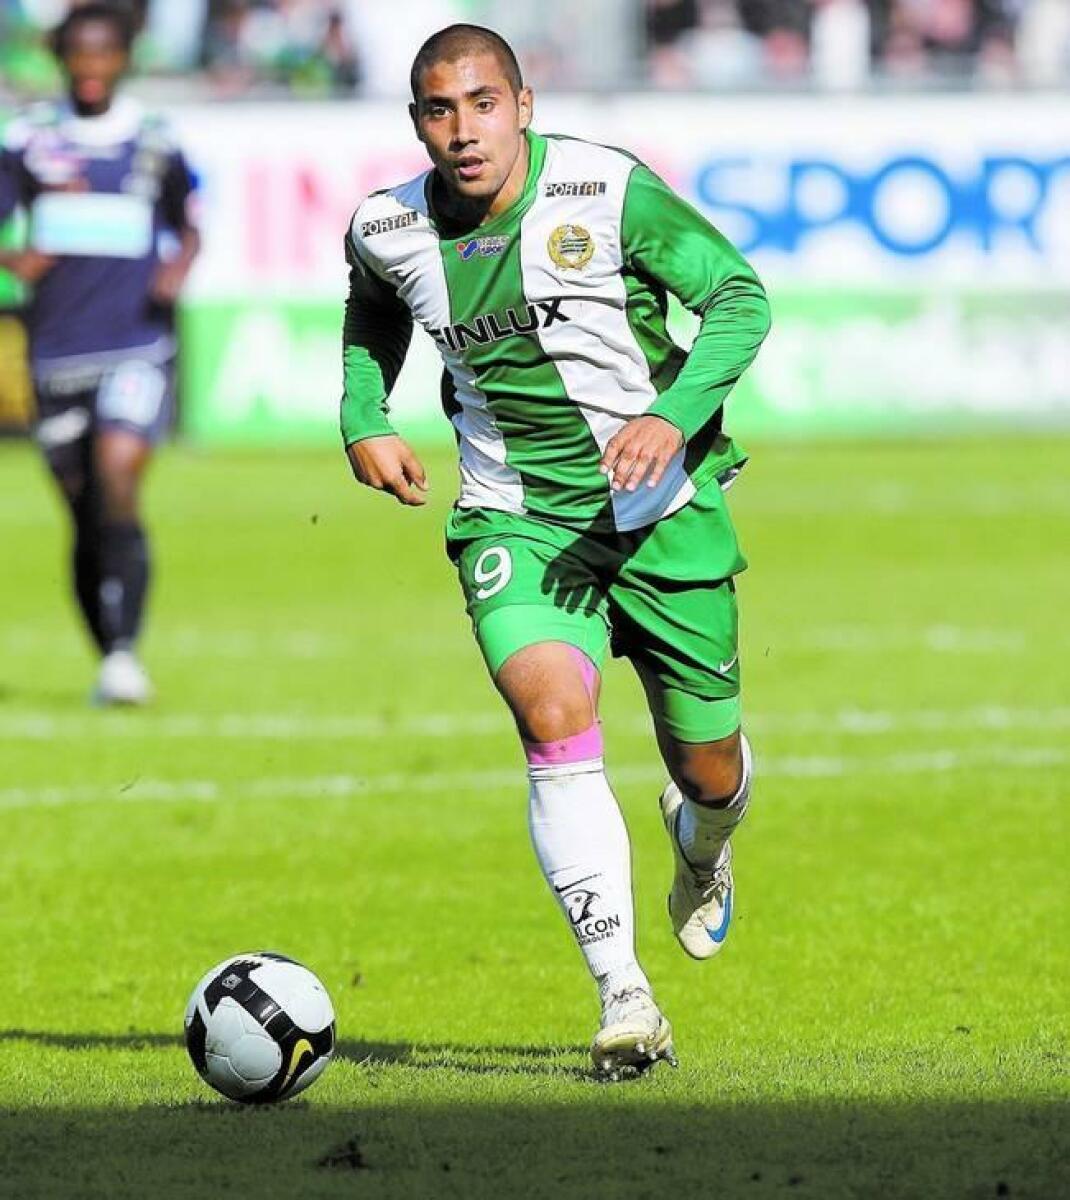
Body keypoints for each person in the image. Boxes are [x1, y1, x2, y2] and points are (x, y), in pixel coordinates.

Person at [340, 23, 770, 1077]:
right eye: (440, 111)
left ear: (522, 106)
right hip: (515, 518)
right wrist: (364, 415)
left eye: (483, 104)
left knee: (710, 770)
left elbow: (738, 297)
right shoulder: (387, 225)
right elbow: (372, 312)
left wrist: (670, 414)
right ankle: (624, 995)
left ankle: (702, 844)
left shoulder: (603, 190)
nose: (463, 131)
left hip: (661, 512)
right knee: (550, 716)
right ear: (417, 124)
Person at [0, 3, 200, 704]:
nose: (91, 67)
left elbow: (189, 221)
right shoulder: (29, 138)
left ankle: (124, 656)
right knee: (84, 513)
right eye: (78, 55)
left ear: (123, 60)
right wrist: (14, 259)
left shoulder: (153, 139)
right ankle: (110, 650)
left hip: (137, 343)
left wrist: (177, 267)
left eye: (103, 54)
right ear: (61, 59)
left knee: (117, 473)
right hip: (56, 351)